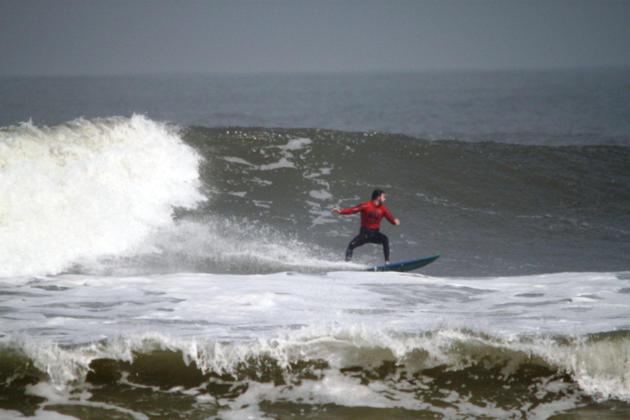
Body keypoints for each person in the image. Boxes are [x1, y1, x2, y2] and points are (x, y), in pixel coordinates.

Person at [332, 189, 400, 264]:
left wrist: (395, 222)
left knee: (385, 239)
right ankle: (347, 264)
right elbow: (353, 210)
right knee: (351, 246)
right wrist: (340, 211)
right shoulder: (366, 205)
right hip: (365, 234)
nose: (385, 199)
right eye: (383, 197)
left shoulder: (383, 209)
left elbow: (391, 218)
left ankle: (387, 262)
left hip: (373, 234)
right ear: (378, 197)